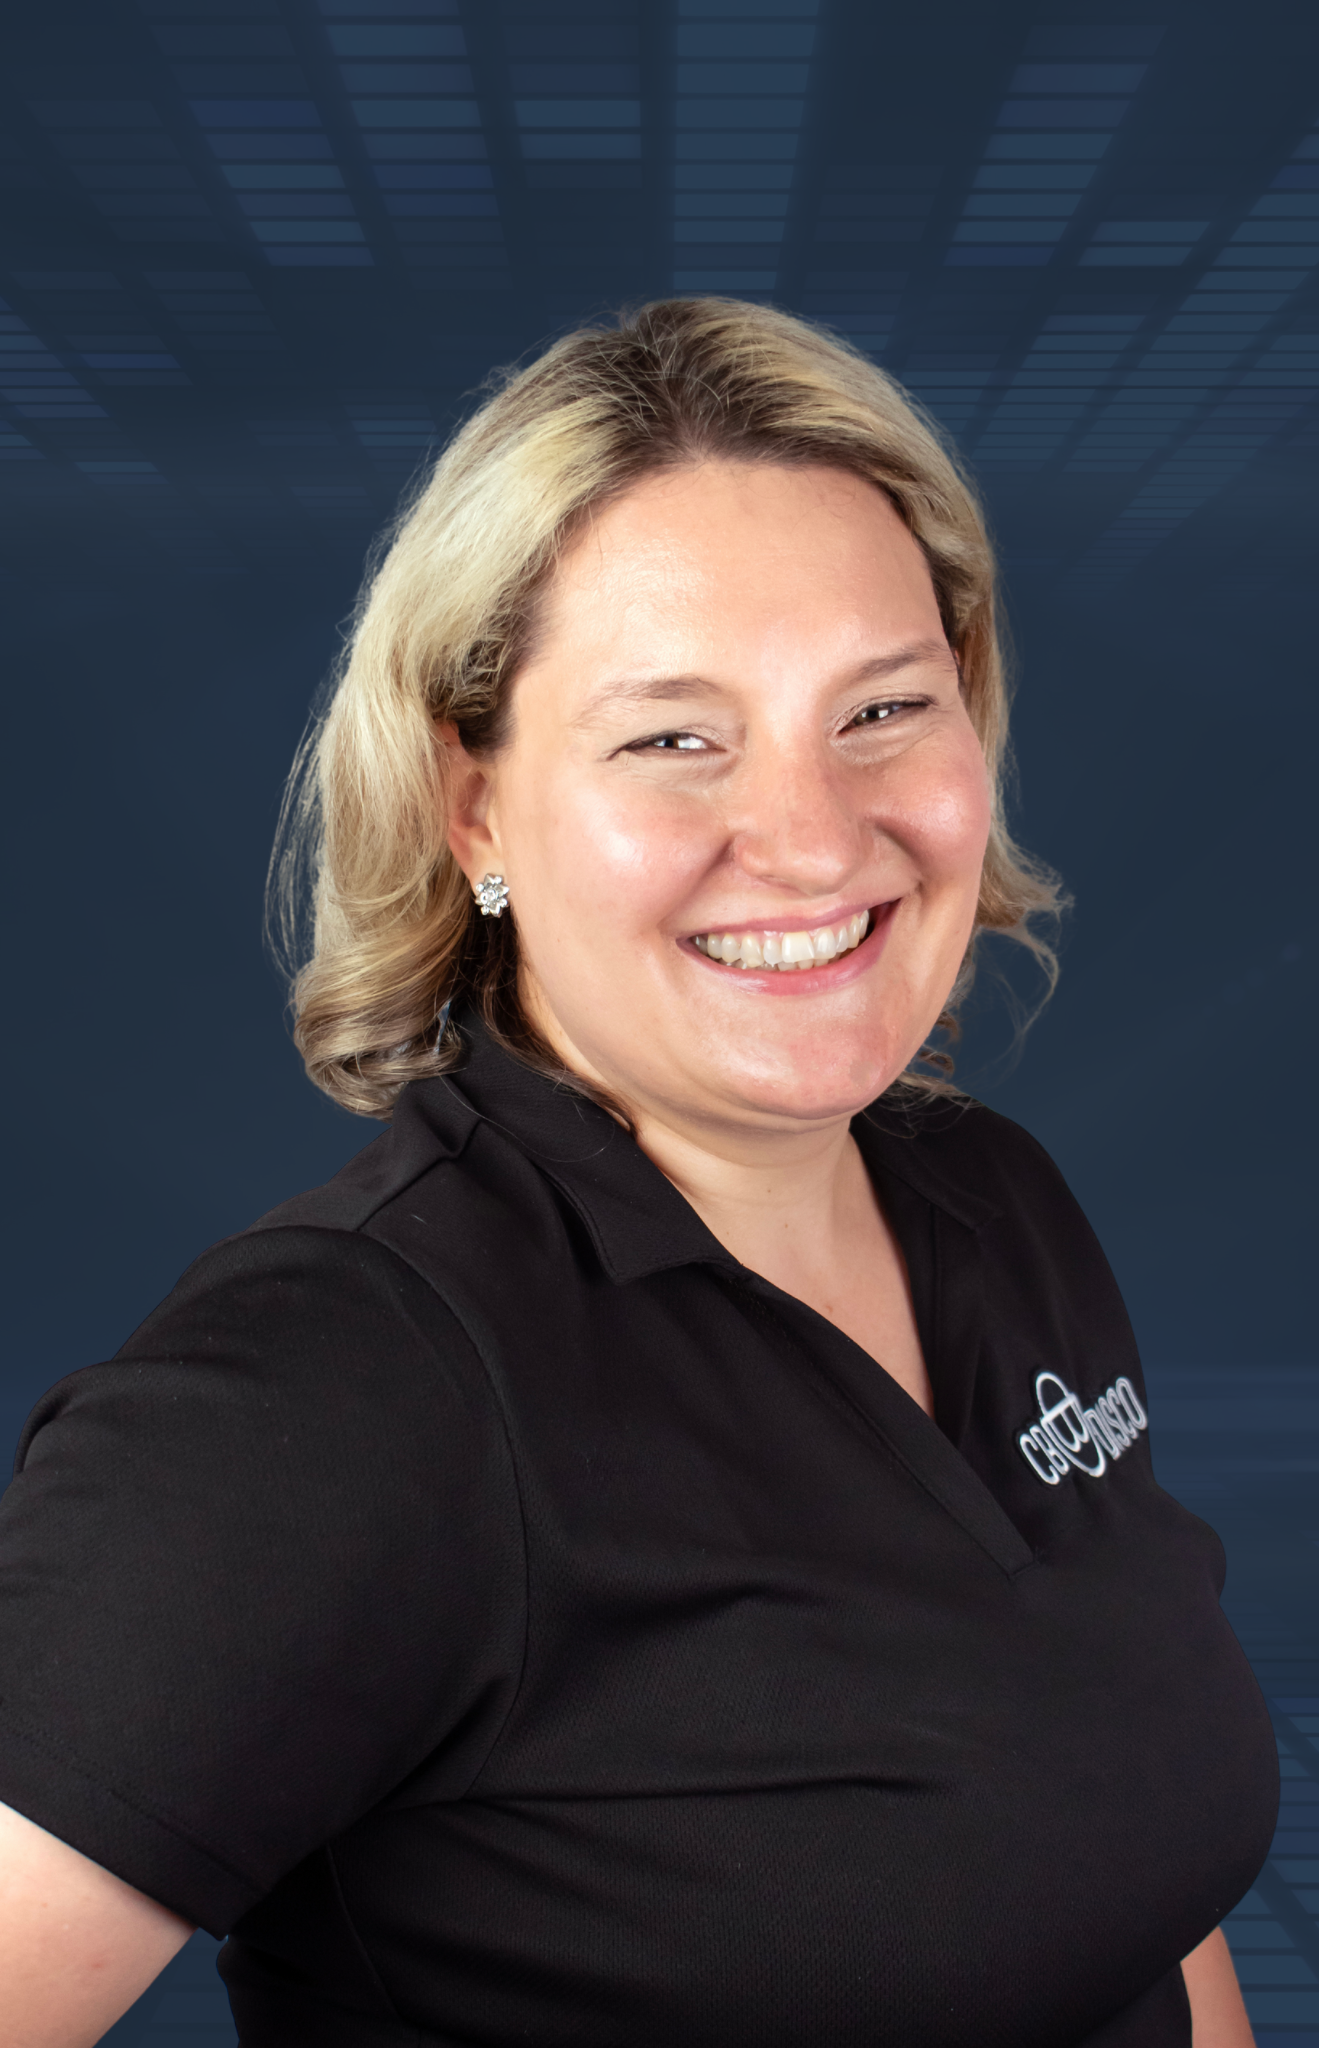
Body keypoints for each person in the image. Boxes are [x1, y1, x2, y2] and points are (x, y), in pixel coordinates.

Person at [0, 299, 1275, 2047]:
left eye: (882, 708)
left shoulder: (989, 1201)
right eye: (673, 737)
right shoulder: (328, 1394)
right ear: (475, 810)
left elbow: (1138, 1880)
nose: (817, 838)